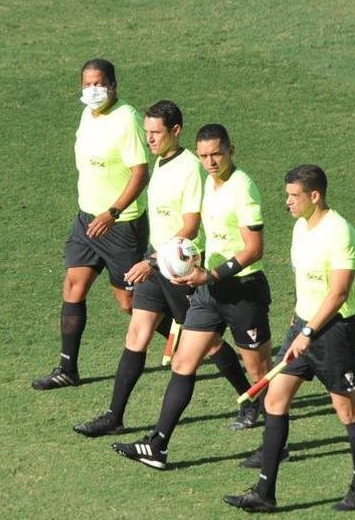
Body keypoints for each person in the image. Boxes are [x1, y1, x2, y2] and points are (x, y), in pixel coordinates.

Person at [72, 102, 255, 437]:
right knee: (137, 334)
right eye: (147, 133)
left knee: (210, 342)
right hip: (156, 260)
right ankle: (115, 416)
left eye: (156, 133)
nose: (150, 139)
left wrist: (153, 261)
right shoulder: (163, 161)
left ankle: (249, 398)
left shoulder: (190, 169)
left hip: (179, 268)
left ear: (176, 131)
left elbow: (190, 226)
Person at [111, 124, 272, 468]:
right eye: (204, 156)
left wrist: (210, 274)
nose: (211, 161)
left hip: (243, 293)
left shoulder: (243, 189)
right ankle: (158, 445)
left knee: (260, 375)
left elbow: (254, 249)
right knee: (183, 364)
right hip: (209, 291)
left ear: (232, 150)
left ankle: (274, 443)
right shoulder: (210, 186)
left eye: (217, 153)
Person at [224, 165, 355, 513]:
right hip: (302, 327)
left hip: (334, 332)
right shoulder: (299, 227)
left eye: (294, 196)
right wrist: (297, 324)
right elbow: (306, 284)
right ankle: (264, 492)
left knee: (348, 411)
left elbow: (338, 293)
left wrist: (308, 332)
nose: (287, 202)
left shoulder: (340, 233)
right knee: (275, 402)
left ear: (314, 196)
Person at [32, 58, 149, 390]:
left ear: (113, 85)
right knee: (73, 287)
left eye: (98, 83)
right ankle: (67, 369)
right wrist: (94, 214)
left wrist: (111, 212)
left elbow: (140, 173)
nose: (92, 90)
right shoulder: (88, 114)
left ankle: (190, 334)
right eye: (86, 84)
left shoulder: (128, 119)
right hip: (86, 220)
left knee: (130, 304)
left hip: (119, 224)